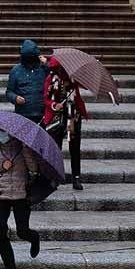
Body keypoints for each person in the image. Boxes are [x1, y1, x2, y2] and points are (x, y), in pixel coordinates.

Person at [0, 128, 41, 269]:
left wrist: (26, 151)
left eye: (5, 132)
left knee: (22, 231)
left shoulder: (22, 148)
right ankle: (9, 267)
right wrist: (1, 166)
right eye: (0, 131)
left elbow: (34, 169)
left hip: (21, 195)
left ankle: (34, 238)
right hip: (1, 195)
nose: (2, 134)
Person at [43, 57, 88, 190]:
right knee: (56, 148)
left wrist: (80, 77)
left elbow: (84, 86)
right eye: (60, 69)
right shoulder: (50, 79)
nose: (62, 71)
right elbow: (45, 98)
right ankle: (54, 177)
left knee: (74, 147)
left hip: (72, 116)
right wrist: (54, 105)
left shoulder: (74, 79)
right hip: (56, 118)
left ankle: (76, 178)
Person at [6, 40, 48, 123]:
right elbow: (9, 92)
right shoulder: (16, 71)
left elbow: (54, 80)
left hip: (42, 113)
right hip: (23, 113)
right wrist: (15, 98)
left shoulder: (44, 69)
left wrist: (46, 64)